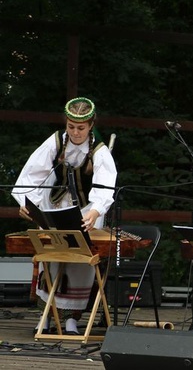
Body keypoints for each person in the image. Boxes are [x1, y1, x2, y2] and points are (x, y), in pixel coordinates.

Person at [12, 97, 117, 335]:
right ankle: (46, 316)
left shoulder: (98, 150)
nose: (75, 132)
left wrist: (95, 211)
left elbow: (105, 188)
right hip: (55, 207)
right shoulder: (56, 142)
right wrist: (27, 203)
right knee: (52, 257)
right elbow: (31, 175)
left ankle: (71, 319)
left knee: (79, 264)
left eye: (80, 128)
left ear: (91, 125)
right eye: (71, 127)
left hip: (85, 211)